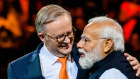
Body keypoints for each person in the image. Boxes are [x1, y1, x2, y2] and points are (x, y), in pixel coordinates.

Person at [7, 4, 140, 79]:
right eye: (59, 36)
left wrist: (133, 65)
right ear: (43, 37)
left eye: (70, 32)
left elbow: (113, 61)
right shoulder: (18, 69)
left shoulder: (88, 52)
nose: (68, 41)